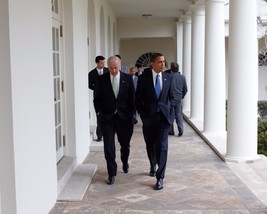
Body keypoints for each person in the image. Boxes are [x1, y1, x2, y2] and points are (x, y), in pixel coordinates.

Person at [135, 52, 174, 190]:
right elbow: (137, 98)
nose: (163, 64)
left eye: (164, 62)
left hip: (163, 119)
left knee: (162, 147)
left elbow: (172, 97)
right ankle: (152, 164)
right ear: (152, 63)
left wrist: (171, 114)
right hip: (149, 118)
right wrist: (142, 114)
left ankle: (160, 177)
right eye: (159, 62)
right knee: (150, 144)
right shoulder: (143, 78)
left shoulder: (168, 77)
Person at [94, 55, 135, 185]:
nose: (113, 71)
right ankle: (111, 173)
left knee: (125, 145)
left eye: (116, 68)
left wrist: (131, 115)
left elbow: (132, 99)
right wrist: (99, 113)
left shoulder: (128, 79)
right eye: (111, 68)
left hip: (124, 118)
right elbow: (97, 99)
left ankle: (125, 162)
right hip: (107, 118)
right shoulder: (101, 80)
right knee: (109, 147)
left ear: (120, 65)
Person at [88, 55, 109, 141]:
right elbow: (89, 85)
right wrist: (97, 89)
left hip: (108, 98)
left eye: (104, 62)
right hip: (97, 98)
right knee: (99, 116)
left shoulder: (107, 71)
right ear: (97, 63)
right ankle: (99, 136)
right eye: (101, 62)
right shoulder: (91, 73)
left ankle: (107, 134)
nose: (103, 64)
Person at [165, 62, 188, 136]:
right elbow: (185, 89)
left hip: (170, 99)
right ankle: (180, 130)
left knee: (170, 115)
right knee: (179, 115)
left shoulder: (168, 76)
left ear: (171, 68)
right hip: (178, 99)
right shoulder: (182, 77)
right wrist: (181, 96)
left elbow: (166, 89)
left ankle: (171, 131)